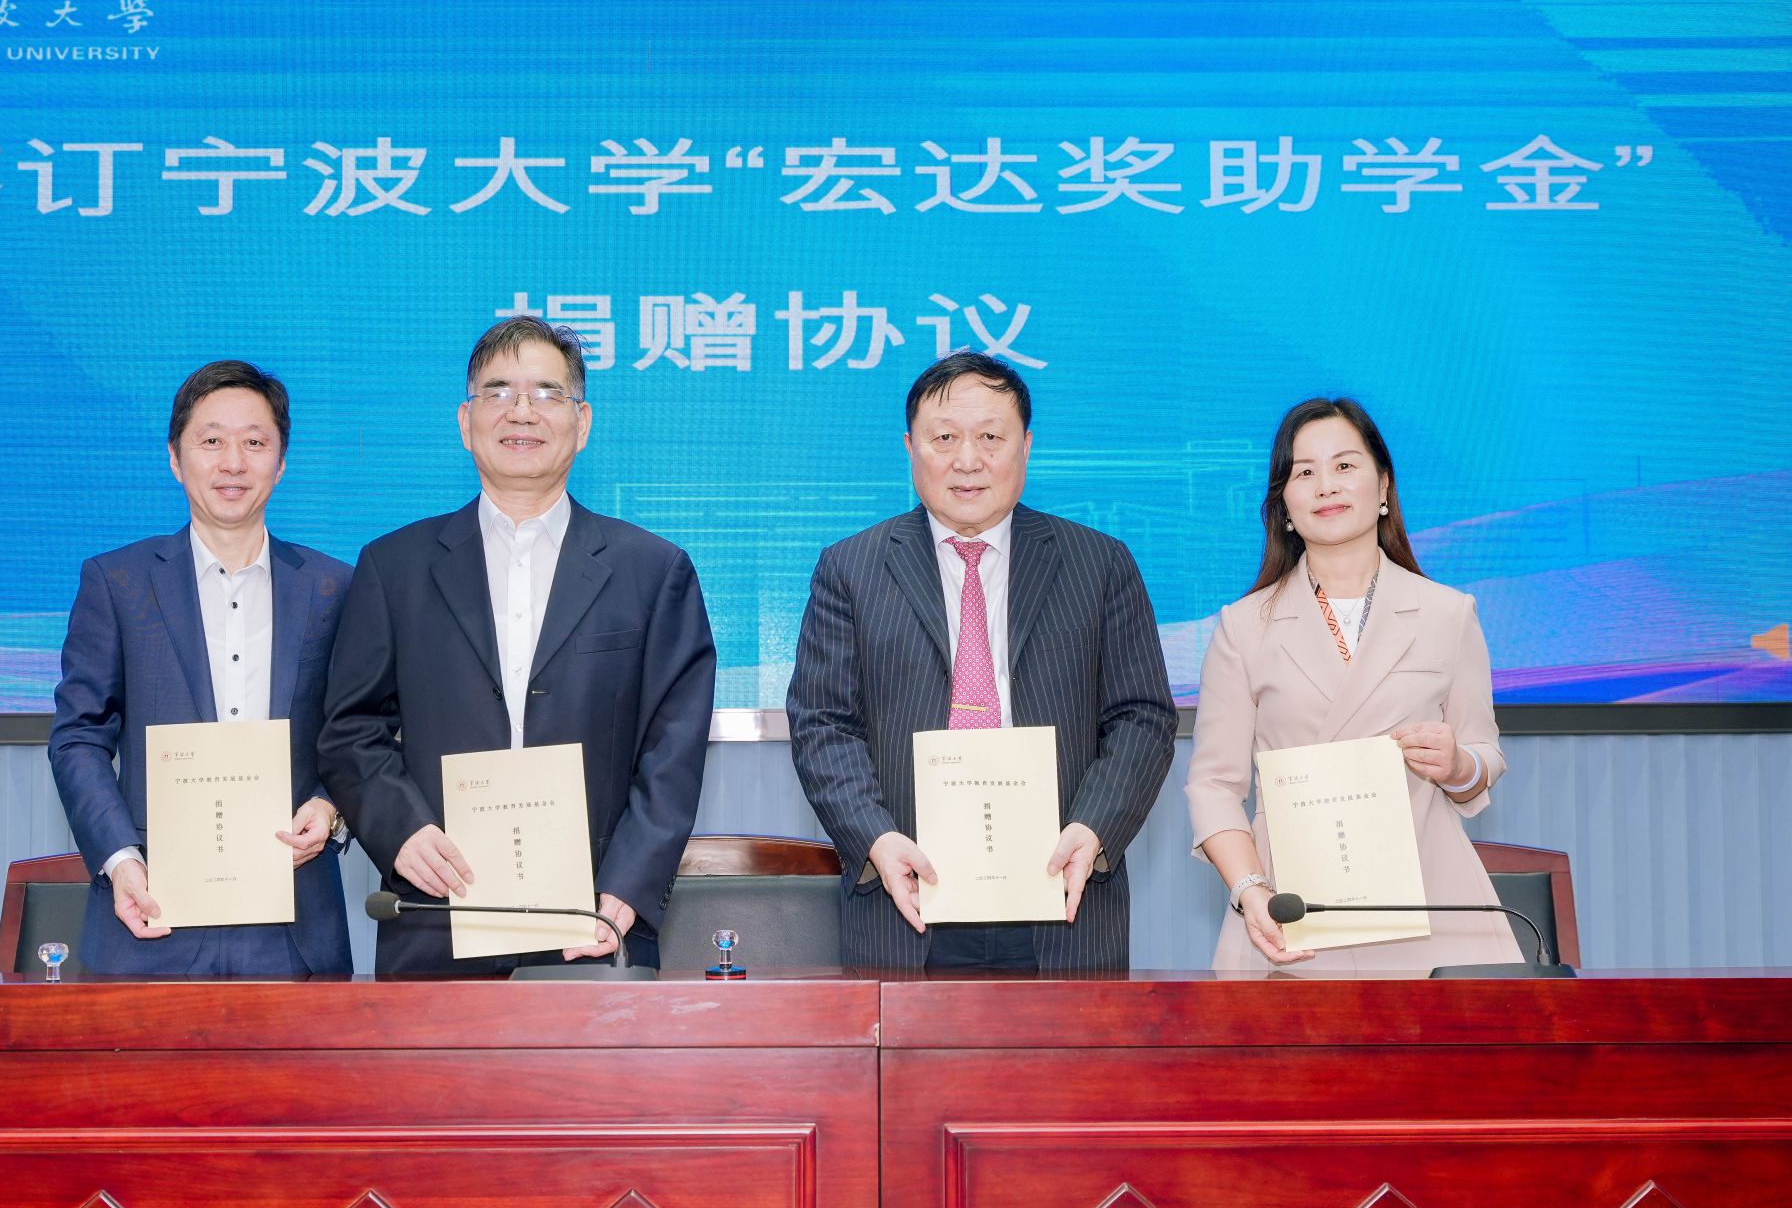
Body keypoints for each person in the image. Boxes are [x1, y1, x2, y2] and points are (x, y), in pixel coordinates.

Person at [319, 317, 716, 975]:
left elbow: (671, 749)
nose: (522, 411)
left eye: (547, 393)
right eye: (498, 392)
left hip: (592, 921)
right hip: (438, 910)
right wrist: (400, 831)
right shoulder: (394, 567)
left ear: (582, 423)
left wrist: (627, 887)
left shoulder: (652, 571)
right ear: (465, 421)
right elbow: (350, 729)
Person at [787, 351, 1177, 970]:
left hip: (1063, 898)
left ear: (1026, 446)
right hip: (907, 900)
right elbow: (822, 724)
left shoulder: (1099, 564)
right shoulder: (850, 569)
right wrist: (876, 839)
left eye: (990, 437)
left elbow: (1143, 716)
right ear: (910, 448)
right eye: (944, 438)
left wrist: (1094, 828)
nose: (967, 460)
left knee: (1066, 1042)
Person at [1186, 396, 1523, 972]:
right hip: (1294, 908)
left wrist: (1456, 764)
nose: (1326, 486)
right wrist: (1249, 889)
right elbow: (1214, 784)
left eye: (1344, 465)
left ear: (1383, 485)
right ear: (1284, 505)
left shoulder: (1448, 613)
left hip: (1428, 904)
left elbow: (1484, 756)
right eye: (1304, 472)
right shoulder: (1243, 627)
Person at [49, 361, 353, 976]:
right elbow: (79, 736)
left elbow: (362, 730)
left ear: (281, 462)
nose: (233, 463)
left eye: (255, 442)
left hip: (295, 929)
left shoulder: (334, 587)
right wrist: (120, 859)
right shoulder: (118, 582)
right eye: (211, 441)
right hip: (151, 917)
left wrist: (330, 808)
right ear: (175, 458)